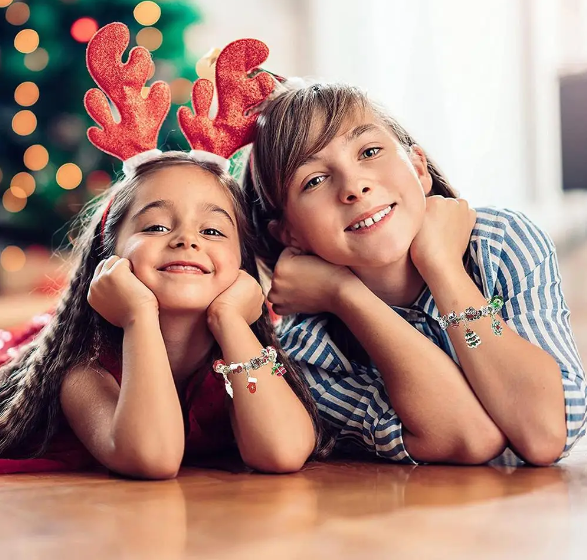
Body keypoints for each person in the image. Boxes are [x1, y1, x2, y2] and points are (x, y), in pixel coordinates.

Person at [0, 24, 329, 477]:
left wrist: (232, 321)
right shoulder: (81, 370)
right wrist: (138, 316)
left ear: (242, 260)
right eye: (156, 225)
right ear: (107, 251)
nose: (186, 240)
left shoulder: (244, 345)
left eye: (213, 231)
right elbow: (152, 458)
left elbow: (282, 452)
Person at [245, 81, 587, 466]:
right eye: (315, 180)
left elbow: (545, 432)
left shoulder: (502, 243)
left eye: (370, 151)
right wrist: (345, 295)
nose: (354, 186)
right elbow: (470, 437)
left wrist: (443, 269)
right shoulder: (309, 350)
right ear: (290, 233)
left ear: (419, 169)